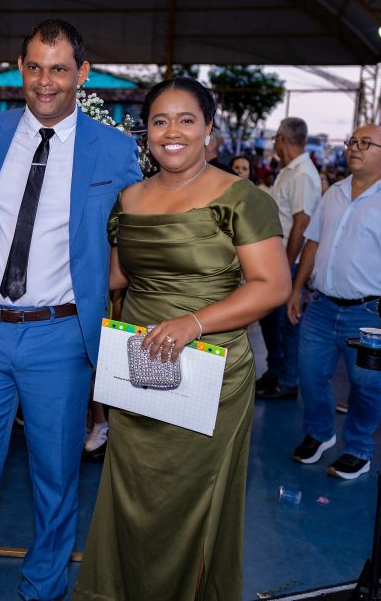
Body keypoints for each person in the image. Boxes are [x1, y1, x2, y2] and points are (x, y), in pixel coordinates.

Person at [0, 19, 142, 601]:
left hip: (60, 337)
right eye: (34, 67)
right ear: (20, 69)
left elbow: (139, 237)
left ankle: (44, 588)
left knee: (55, 476)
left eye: (59, 68)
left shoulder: (115, 149)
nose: (45, 80)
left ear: (82, 73)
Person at [73, 78, 290, 600]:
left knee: (191, 501)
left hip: (210, 372)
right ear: (145, 132)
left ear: (209, 129)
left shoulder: (241, 199)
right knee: (133, 495)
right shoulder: (129, 199)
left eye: (186, 120)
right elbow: (116, 278)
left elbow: (273, 285)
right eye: (160, 121)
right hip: (139, 373)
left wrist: (193, 323)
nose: (172, 132)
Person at [287, 125, 381, 480]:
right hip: (322, 306)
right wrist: (296, 289)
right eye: (352, 141)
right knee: (310, 375)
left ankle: (358, 449)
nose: (355, 147)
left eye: (366, 143)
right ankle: (320, 433)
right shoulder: (333, 193)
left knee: (367, 386)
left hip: (368, 314)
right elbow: (313, 243)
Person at [256, 117, 321, 400]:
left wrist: (285, 264)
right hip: (278, 260)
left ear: (282, 139)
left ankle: (287, 380)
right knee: (270, 320)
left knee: (285, 323)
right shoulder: (289, 171)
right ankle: (275, 370)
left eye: (275, 139)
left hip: (289, 262)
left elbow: (301, 224)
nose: (275, 145)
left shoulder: (302, 173)